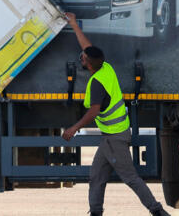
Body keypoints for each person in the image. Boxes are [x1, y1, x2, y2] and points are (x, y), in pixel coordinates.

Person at [61, 12, 170, 216]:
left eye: (83, 58)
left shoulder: (96, 83)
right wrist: (74, 24)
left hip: (115, 138)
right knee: (96, 176)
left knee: (130, 177)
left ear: (89, 64)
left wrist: (73, 129)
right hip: (112, 136)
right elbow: (87, 47)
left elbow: (93, 112)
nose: (81, 57)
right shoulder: (106, 68)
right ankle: (95, 212)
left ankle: (158, 211)